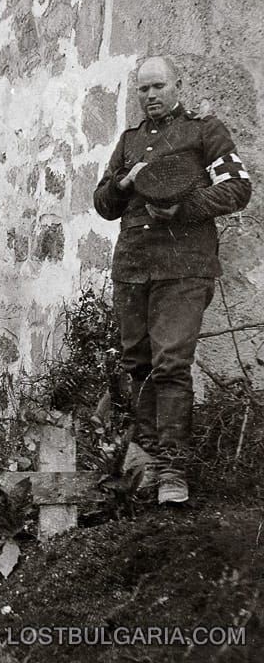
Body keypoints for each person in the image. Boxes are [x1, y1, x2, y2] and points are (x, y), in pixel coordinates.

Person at [94, 56, 252, 505]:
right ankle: (146, 461)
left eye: (158, 86)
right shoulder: (129, 142)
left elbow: (237, 188)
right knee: (137, 363)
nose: (150, 96)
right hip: (133, 268)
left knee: (170, 364)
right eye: (143, 89)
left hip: (183, 267)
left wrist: (183, 208)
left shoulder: (204, 131)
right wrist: (125, 184)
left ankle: (173, 470)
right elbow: (103, 204)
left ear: (176, 86)